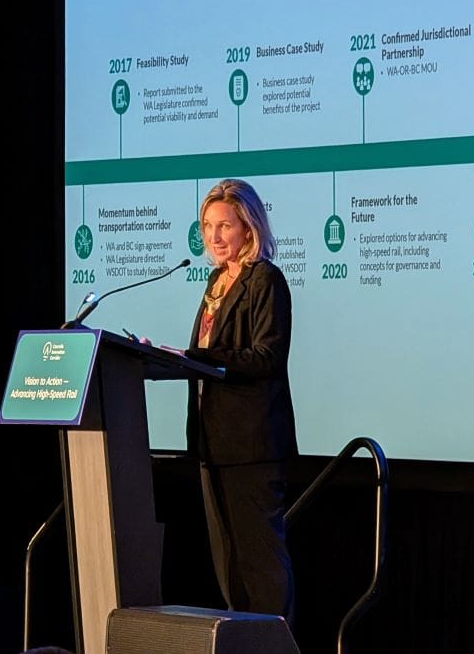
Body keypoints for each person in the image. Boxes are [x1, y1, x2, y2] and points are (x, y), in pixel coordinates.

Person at [184, 178, 297, 623]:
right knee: (229, 569)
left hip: (252, 446)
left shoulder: (265, 279)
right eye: (208, 226)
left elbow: (266, 356)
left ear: (248, 228)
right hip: (214, 443)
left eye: (224, 226)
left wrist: (195, 357)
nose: (213, 236)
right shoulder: (215, 282)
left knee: (261, 568)